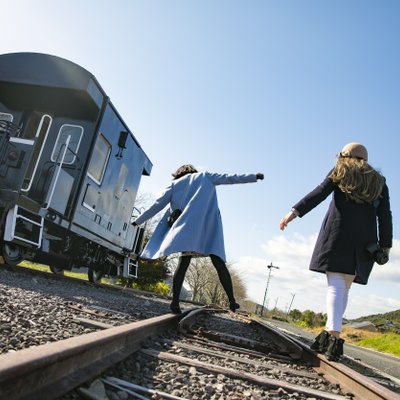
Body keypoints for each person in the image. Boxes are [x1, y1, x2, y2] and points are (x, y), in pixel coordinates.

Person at [279, 143, 392, 361]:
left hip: (338, 235)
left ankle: (333, 335)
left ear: (345, 156)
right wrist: (385, 245)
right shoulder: (379, 182)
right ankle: (331, 332)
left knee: (336, 286)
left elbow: (319, 193)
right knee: (344, 287)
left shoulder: (341, 171)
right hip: (366, 243)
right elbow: (385, 215)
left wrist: (293, 212)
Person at [133, 164, 264, 314]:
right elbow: (230, 178)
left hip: (187, 229)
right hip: (209, 228)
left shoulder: (174, 185)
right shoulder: (205, 176)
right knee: (218, 262)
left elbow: (156, 206)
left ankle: (175, 303)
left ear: (178, 174)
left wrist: (137, 221)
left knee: (183, 263)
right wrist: (254, 176)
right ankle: (232, 301)